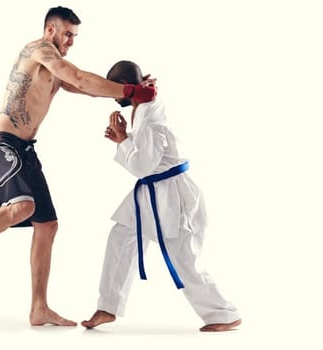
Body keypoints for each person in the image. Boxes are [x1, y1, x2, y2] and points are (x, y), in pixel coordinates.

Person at [0, 6, 157, 326]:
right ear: (50, 30)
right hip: (2, 143)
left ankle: (39, 308)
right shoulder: (39, 50)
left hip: (24, 149)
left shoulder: (55, 67)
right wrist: (131, 91)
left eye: (74, 36)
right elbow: (78, 76)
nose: (71, 41)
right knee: (23, 207)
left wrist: (133, 89)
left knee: (47, 225)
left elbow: (84, 86)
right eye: (67, 34)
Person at [80, 60, 241, 332]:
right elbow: (149, 153)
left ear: (125, 89)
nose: (111, 96)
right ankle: (108, 306)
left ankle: (223, 314)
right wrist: (127, 138)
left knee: (184, 254)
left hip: (170, 195)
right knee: (121, 238)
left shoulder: (148, 113)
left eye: (113, 90)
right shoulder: (144, 104)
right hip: (153, 192)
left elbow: (143, 164)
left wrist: (122, 140)